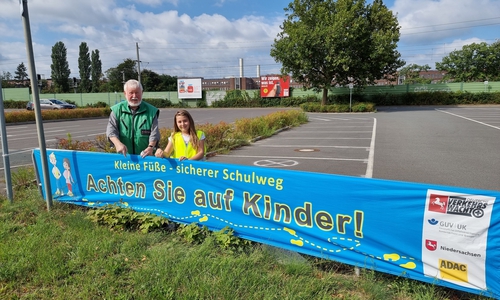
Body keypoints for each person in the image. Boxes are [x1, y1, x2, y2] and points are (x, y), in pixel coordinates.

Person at [106, 79, 160, 158]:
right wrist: (118, 144)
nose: (134, 96)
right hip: (124, 159)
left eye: (137, 92)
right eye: (131, 93)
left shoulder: (152, 111)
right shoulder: (116, 110)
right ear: (125, 93)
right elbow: (111, 131)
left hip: (145, 158)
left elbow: (154, 133)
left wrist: (150, 147)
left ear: (142, 93)